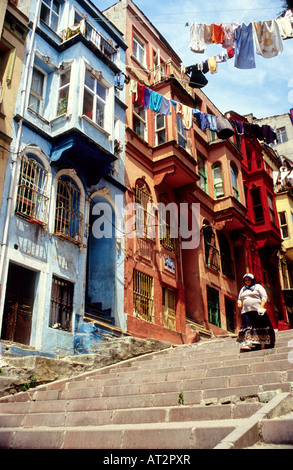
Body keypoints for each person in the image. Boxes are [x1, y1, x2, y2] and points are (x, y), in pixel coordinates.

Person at [236, 273, 275, 352]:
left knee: (260, 327)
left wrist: (262, 306)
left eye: (249, 280)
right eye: (245, 280)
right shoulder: (243, 289)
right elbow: (239, 298)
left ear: (252, 280)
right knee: (247, 328)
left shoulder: (258, 287)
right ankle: (248, 344)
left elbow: (264, 297)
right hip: (246, 312)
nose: (247, 281)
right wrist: (239, 302)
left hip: (257, 311)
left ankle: (263, 344)